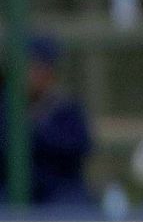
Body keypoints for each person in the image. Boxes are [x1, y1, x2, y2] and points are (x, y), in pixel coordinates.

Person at [0, 35, 93, 205]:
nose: (34, 75)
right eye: (30, 67)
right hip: (9, 194)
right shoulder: (5, 106)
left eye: (40, 68)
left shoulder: (66, 108)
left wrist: (36, 130)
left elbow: (80, 147)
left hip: (60, 192)